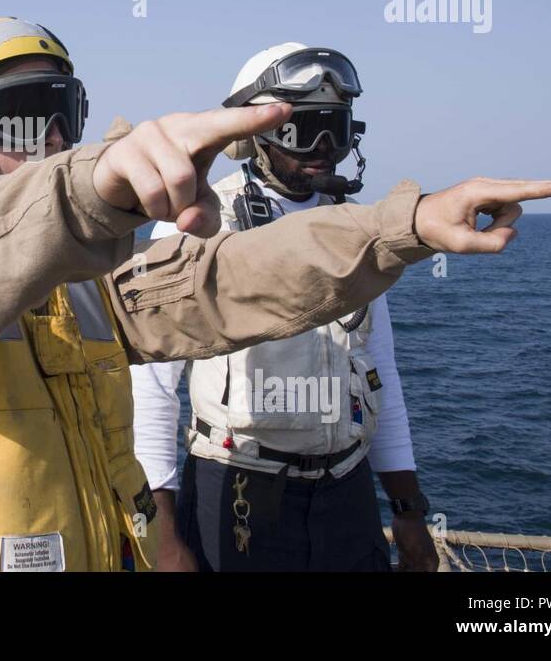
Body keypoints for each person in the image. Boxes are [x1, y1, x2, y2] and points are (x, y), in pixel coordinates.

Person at [0, 17, 551, 571]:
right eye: (23, 117)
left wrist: (406, 224)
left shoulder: (90, 294)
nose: (51, 141)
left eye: (63, 116)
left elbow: (235, 278)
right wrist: (95, 183)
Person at [132, 43, 436, 572]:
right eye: (302, 129)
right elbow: (153, 389)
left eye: (334, 129)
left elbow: (380, 368)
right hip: (236, 489)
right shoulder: (199, 223)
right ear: (254, 136)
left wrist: (408, 509)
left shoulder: (362, 230)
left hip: (348, 490)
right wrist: (163, 538)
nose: (321, 148)